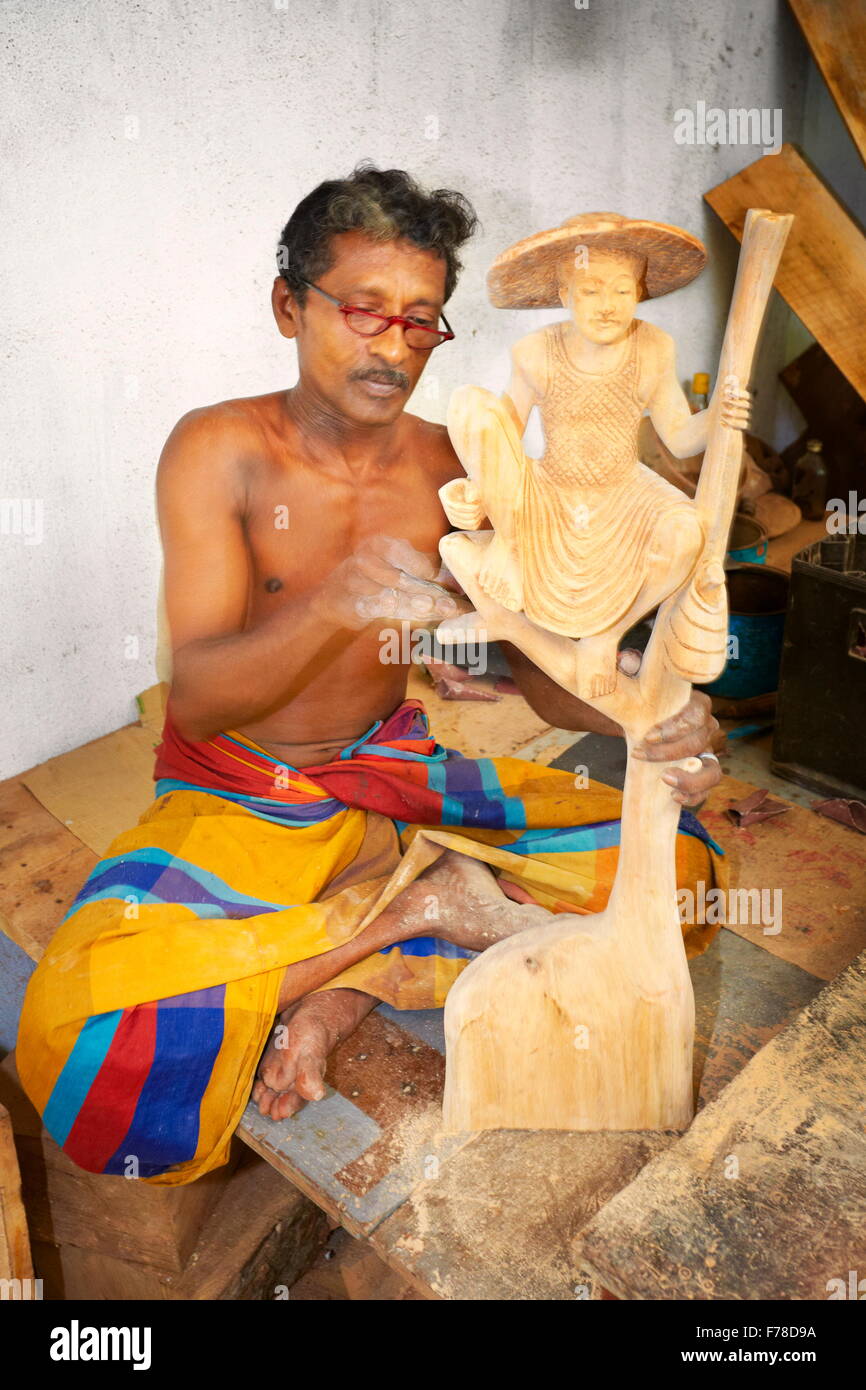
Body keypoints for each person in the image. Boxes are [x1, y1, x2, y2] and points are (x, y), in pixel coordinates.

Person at [16, 168, 724, 1185]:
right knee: (91, 1055)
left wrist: (647, 715)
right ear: (287, 305)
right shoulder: (219, 450)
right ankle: (403, 919)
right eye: (363, 313)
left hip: (390, 778)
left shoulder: (450, 466)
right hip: (238, 792)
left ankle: (338, 979)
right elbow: (203, 697)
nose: (393, 349)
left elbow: (525, 666)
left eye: (421, 324)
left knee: (676, 879)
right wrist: (338, 599)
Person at [442, 213, 750, 698]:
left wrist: (718, 416)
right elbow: (500, 437)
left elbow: (679, 437)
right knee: (469, 404)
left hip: (626, 494)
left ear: (640, 293)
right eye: (590, 291)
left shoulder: (653, 347)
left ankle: (605, 637)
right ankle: (510, 548)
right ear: (565, 296)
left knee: (686, 532)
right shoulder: (536, 351)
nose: (608, 306)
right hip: (550, 488)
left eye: (623, 290)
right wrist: (474, 491)